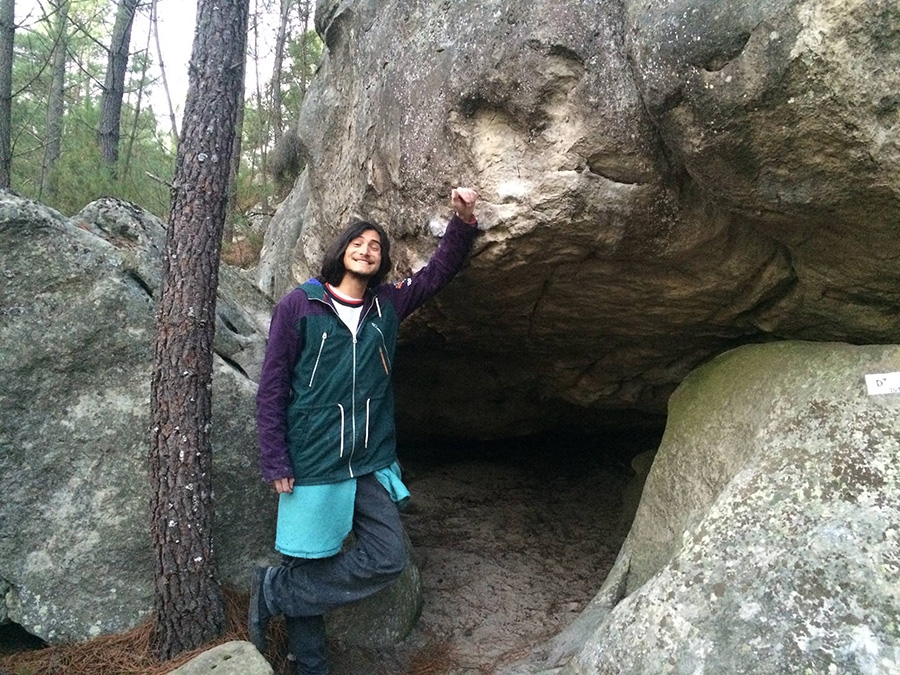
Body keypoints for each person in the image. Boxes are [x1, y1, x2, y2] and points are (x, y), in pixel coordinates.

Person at [250, 188, 479, 674]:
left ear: (382, 260)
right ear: (341, 250)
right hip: (313, 459)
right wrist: (276, 460)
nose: (367, 249)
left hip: (369, 460)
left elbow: (438, 274)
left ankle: (274, 591)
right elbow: (271, 390)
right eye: (358, 241)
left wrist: (461, 222)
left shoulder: (387, 307)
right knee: (309, 562)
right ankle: (310, 666)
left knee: (388, 555)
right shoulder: (300, 305)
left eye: (376, 245)